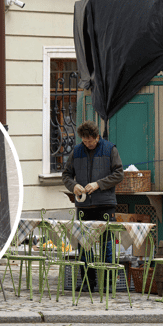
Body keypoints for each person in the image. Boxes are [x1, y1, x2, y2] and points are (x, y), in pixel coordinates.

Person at [61, 120, 124, 291]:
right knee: (83, 246)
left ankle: (108, 282)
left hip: (105, 204)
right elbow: (66, 174)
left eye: (90, 140)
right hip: (84, 206)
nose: (87, 144)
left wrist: (98, 184)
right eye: (84, 140)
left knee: (106, 244)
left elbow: (119, 174)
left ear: (97, 137)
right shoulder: (77, 151)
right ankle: (88, 282)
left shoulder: (110, 149)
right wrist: (73, 186)